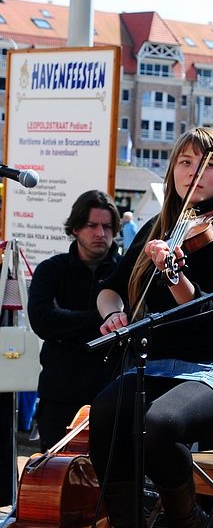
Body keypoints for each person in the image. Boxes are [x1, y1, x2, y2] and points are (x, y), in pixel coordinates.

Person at [85, 126, 213, 528]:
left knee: (159, 423)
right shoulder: (157, 228)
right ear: (173, 172)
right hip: (159, 363)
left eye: (208, 164)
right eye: (185, 162)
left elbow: (211, 311)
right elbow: (108, 288)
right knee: (105, 411)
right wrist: (115, 313)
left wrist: (173, 272)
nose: (195, 173)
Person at [26, 190, 123, 449]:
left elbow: (134, 323)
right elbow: (42, 321)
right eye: (92, 225)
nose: (100, 234)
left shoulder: (126, 272)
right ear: (76, 228)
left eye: (107, 226)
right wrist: (104, 319)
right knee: (53, 478)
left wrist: (67, 327)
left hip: (111, 394)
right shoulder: (51, 270)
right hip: (59, 393)